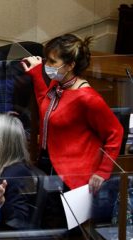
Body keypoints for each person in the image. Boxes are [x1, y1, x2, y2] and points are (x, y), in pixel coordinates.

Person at [21, 34, 123, 193]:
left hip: (71, 175)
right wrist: (36, 73)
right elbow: (45, 104)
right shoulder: (58, 84)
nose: (46, 65)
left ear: (70, 65)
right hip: (49, 162)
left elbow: (115, 133)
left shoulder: (87, 98)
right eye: (46, 59)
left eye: (52, 62)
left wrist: (103, 171)